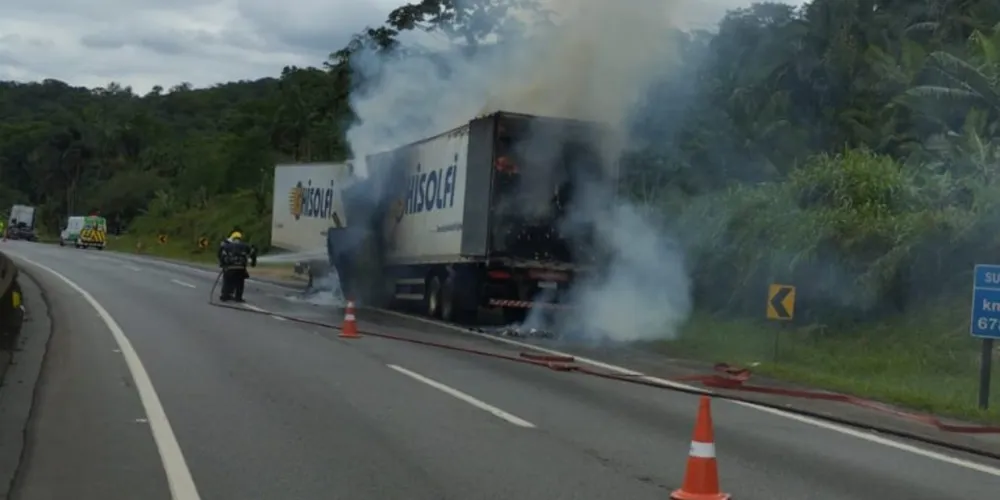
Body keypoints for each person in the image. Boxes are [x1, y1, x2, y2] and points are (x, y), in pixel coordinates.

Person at [217, 230, 257, 302]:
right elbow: (253, 253)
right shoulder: (245, 246)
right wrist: (253, 263)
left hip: (229, 268)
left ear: (232, 238)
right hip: (241, 269)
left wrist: (222, 265)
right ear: (240, 239)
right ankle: (238, 297)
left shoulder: (227, 246)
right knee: (240, 283)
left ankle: (225, 296)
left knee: (227, 281)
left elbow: (221, 255)